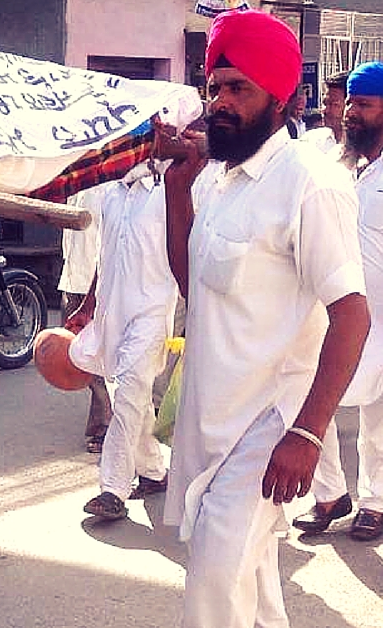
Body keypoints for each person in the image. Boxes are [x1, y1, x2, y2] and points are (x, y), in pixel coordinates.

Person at [157, 10, 369, 627]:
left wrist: (305, 435)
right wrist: (177, 189)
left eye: (238, 89)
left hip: (268, 427)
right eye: (215, 87)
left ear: (283, 100)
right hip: (209, 422)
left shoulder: (310, 183)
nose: (220, 102)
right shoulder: (218, 181)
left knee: (213, 586)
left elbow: (352, 314)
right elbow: (195, 287)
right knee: (248, 579)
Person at [296, 61, 383, 542]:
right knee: (314, 399)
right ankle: (329, 494)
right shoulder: (333, 167)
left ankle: (375, 503)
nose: (351, 113)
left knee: (379, 421)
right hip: (332, 312)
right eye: (350, 103)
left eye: (364, 105)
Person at [65, 160, 175, 522]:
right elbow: (105, 254)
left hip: (152, 312)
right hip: (113, 313)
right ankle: (155, 472)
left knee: (129, 393)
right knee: (131, 397)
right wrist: (88, 304)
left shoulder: (167, 190)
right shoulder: (112, 195)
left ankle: (112, 488)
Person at [60, 185, 114, 453]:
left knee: (97, 358)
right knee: (77, 355)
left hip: (94, 285)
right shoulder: (78, 182)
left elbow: (107, 246)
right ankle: (109, 420)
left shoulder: (113, 188)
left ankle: (104, 427)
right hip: (71, 278)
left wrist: (92, 296)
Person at [300, 71, 349, 154]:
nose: (325, 110)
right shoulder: (310, 141)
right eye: (324, 103)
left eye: (334, 104)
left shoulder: (365, 148)